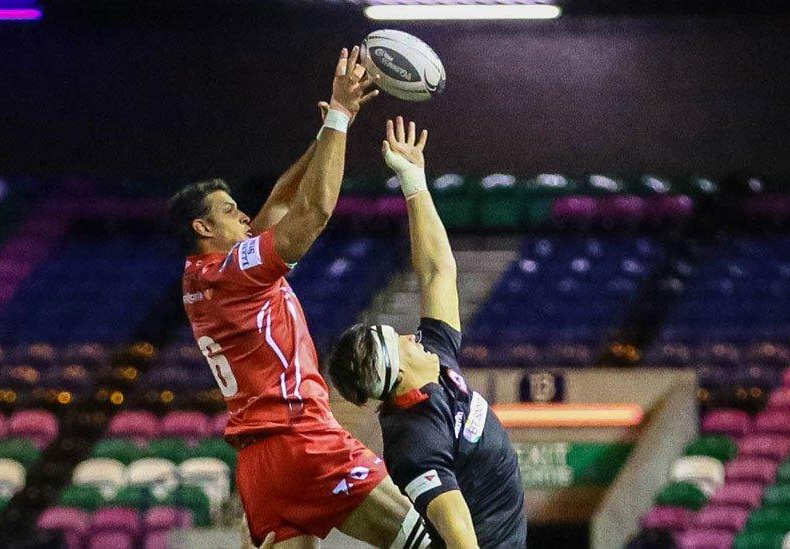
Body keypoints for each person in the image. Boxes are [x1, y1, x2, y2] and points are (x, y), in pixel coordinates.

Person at [169, 48, 431, 549]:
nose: (243, 216)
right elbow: (311, 212)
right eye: (229, 211)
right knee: (432, 540)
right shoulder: (235, 271)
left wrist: (329, 134)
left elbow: (280, 202)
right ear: (203, 228)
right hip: (301, 436)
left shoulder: (202, 276)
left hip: (259, 463)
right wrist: (338, 113)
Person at [327, 117, 528, 548]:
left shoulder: (436, 359)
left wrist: (413, 179)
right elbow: (460, 538)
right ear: (394, 371)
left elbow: (438, 271)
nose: (410, 335)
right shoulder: (415, 443)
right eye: (397, 339)